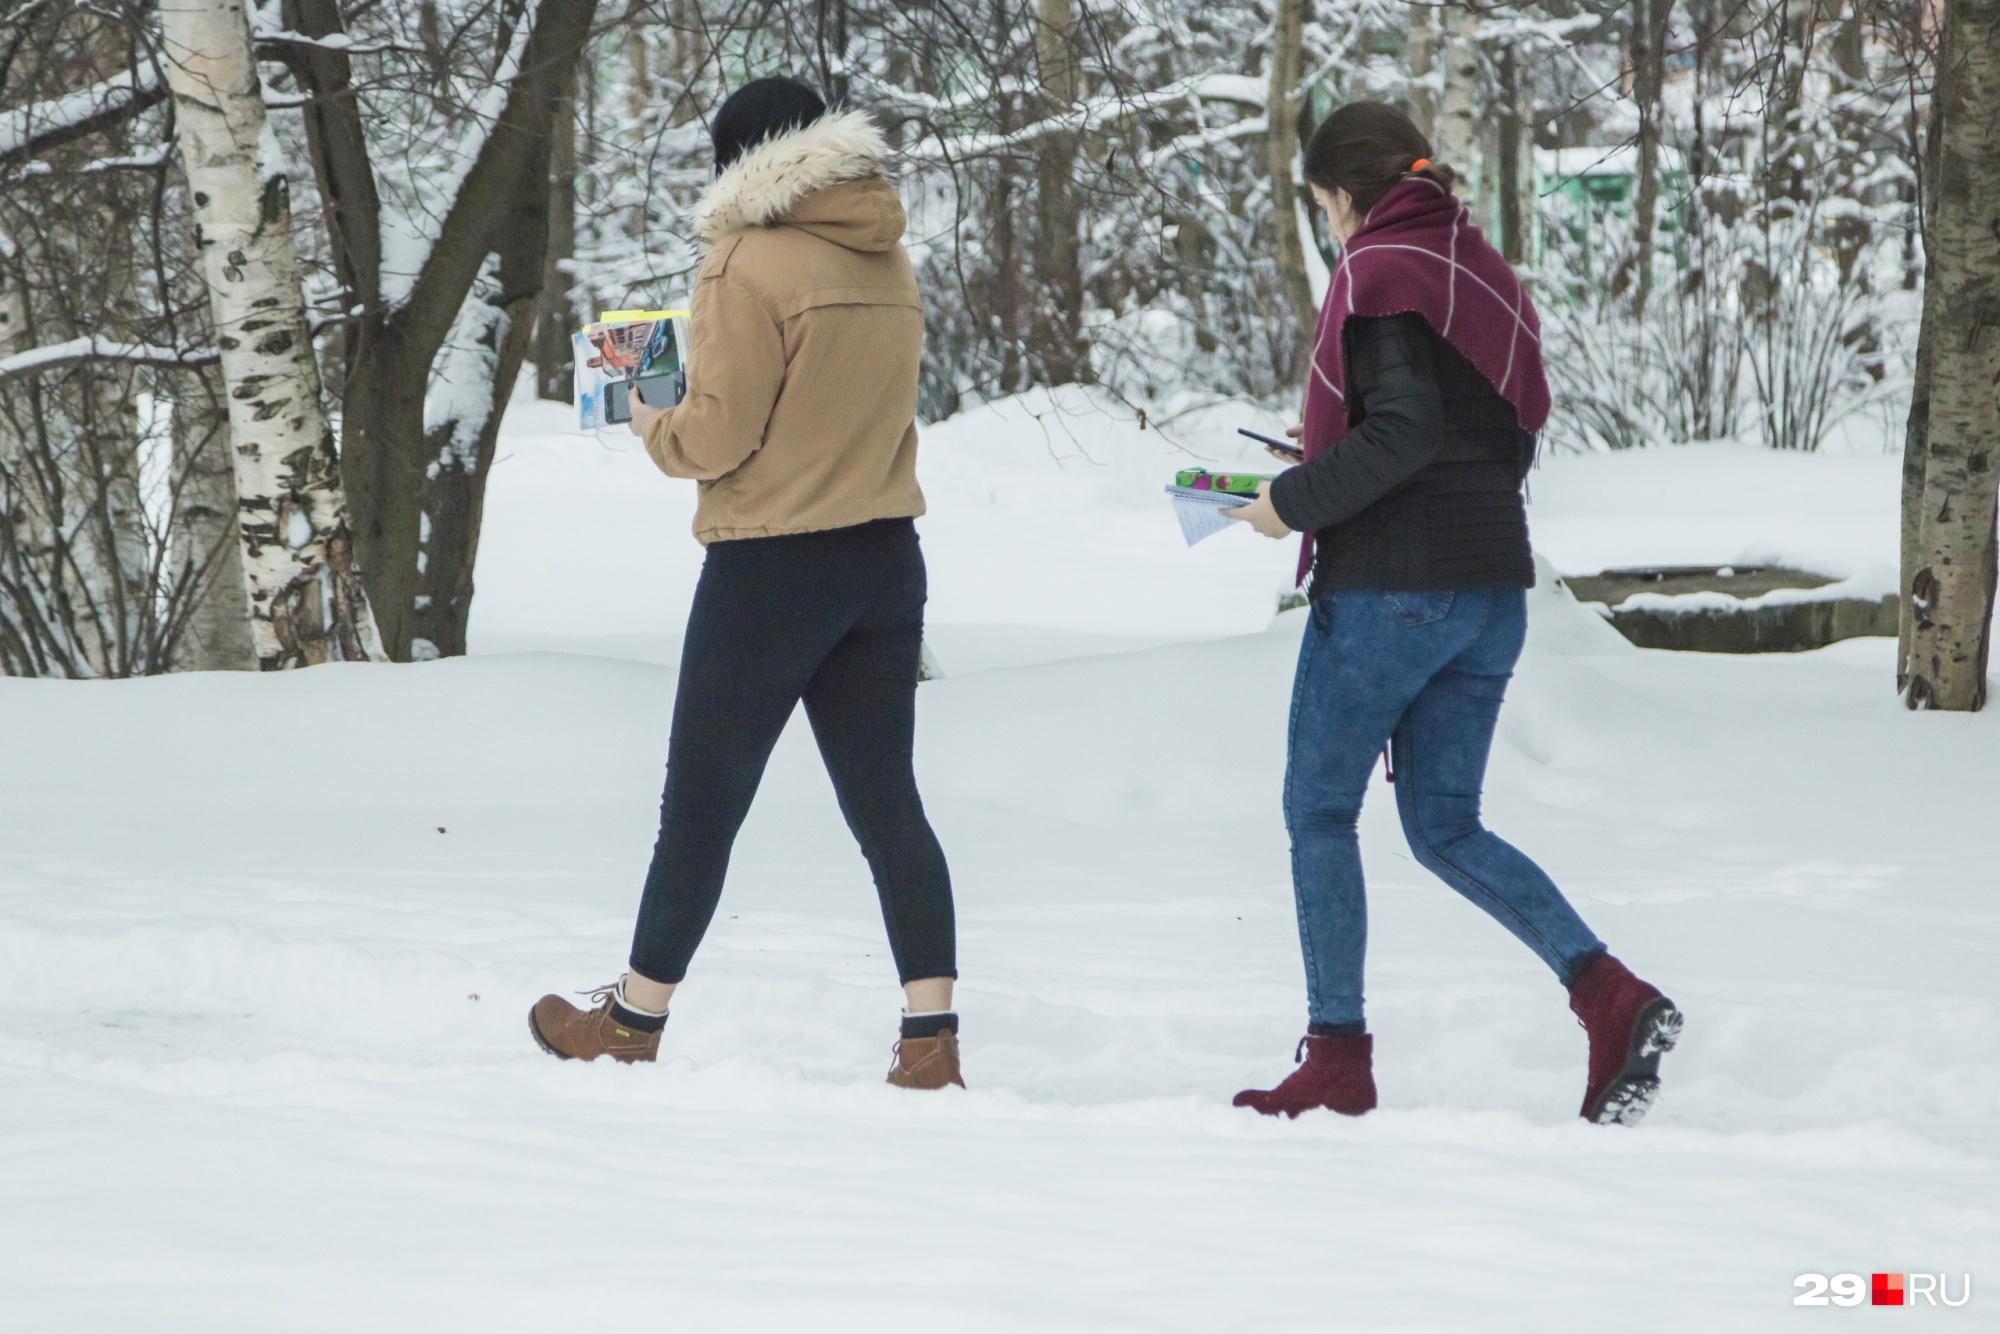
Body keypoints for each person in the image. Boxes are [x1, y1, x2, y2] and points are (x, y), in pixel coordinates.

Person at [1222, 102, 1681, 1124]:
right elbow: (1485, 430)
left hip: (1393, 590)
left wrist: (1288, 501)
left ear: (1344, 193)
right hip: (1487, 591)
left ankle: (1336, 1052)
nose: (1325, 227)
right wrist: (1329, 443)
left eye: (1319, 206)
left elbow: (1401, 433)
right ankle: (1609, 995)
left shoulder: (1377, 270)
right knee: (1442, 825)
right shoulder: (1476, 267)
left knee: (1316, 811)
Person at [529, 78, 964, 1091]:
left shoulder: (743, 261)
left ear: (741, 160)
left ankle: (632, 1022)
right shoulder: (885, 253)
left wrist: (649, 414)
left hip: (772, 564)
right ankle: (930, 1038)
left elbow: (716, 435)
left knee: (701, 808)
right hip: (883, 557)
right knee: (887, 804)